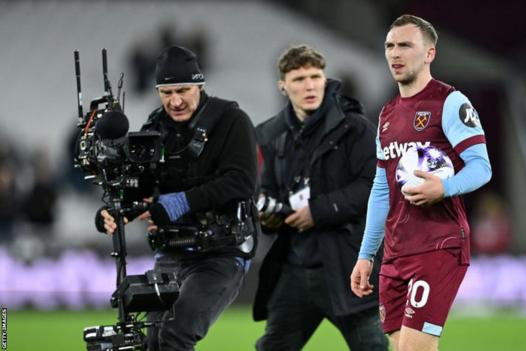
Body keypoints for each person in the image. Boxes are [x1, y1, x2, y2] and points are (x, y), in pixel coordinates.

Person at [98, 45, 258, 350]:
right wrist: (116, 211)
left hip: (220, 253)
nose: (175, 100)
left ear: (199, 85)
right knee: (153, 340)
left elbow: (242, 182)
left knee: (177, 332)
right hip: (171, 253)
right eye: (166, 92)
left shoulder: (231, 121)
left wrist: (177, 203)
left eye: (183, 90)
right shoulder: (155, 126)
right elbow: (142, 187)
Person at [350, 15, 492, 351]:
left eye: (405, 45)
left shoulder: (449, 102)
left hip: (439, 244)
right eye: (390, 46)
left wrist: (444, 188)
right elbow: (382, 188)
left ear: (429, 54)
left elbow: (481, 167)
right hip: (397, 252)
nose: (395, 54)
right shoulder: (386, 115)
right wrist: (367, 254)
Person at [253, 44, 388, 351]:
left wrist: (318, 211)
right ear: (283, 87)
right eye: (299, 79)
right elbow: (270, 190)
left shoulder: (356, 129)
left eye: (316, 76)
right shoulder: (274, 136)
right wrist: (269, 215)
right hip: (296, 270)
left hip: (348, 266)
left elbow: (374, 187)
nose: (310, 85)